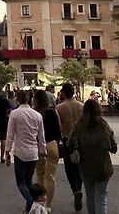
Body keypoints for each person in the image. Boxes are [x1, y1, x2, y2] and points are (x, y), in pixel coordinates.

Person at [68, 99, 117, 214]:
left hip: (85, 167)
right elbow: (113, 147)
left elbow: (70, 144)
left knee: (90, 196)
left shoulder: (78, 126)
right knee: (101, 197)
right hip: (103, 168)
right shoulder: (103, 125)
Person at [5, 90, 46, 214]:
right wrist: (42, 151)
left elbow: (10, 134)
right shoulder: (37, 115)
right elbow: (41, 135)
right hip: (33, 152)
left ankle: (34, 203)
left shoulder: (15, 114)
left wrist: (7, 151)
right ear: (28, 99)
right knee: (28, 181)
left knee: (20, 182)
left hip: (20, 152)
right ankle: (29, 210)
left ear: (17, 100)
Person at [56, 82, 84, 211]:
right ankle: (79, 187)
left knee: (69, 168)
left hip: (67, 139)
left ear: (63, 93)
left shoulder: (59, 108)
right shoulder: (81, 106)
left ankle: (75, 190)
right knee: (79, 166)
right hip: (80, 140)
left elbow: (59, 127)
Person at [33, 89, 62, 212]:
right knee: (50, 177)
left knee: (39, 174)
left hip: (38, 146)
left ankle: (39, 204)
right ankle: (48, 206)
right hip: (52, 144)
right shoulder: (52, 112)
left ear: (35, 100)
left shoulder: (34, 113)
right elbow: (59, 129)